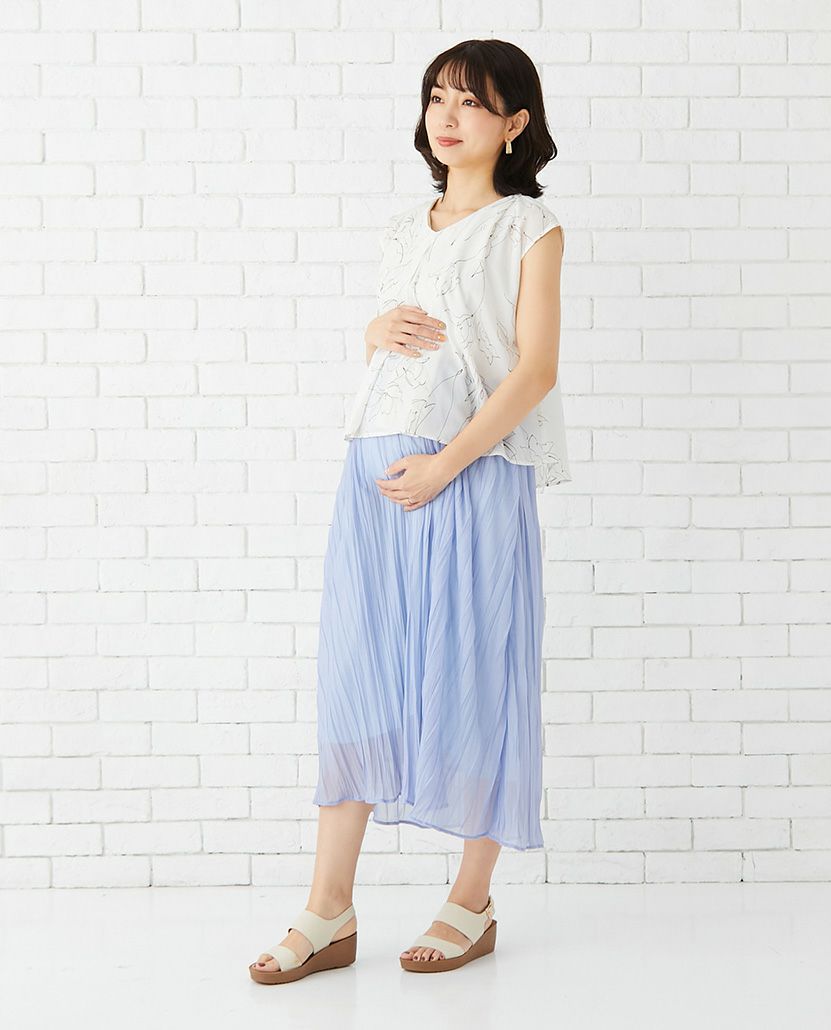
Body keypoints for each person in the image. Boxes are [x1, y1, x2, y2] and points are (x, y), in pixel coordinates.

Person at [250, 37, 570, 985]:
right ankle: (328, 909)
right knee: (359, 673)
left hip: (471, 472)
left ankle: (471, 902)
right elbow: (407, 355)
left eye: (471, 101)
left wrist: (445, 466)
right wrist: (371, 331)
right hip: (375, 473)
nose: (448, 116)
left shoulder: (530, 226)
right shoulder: (404, 226)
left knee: (474, 673)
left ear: (514, 123)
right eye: (437, 97)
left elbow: (534, 370)